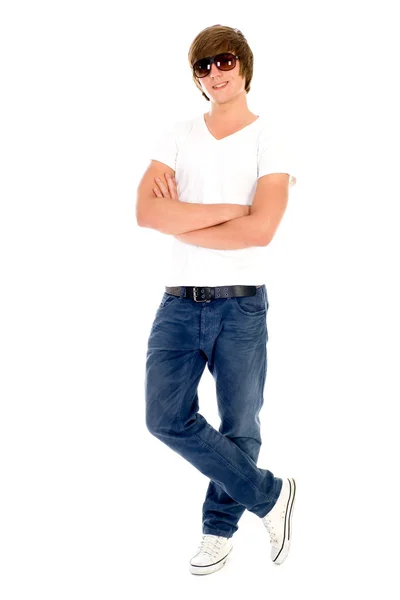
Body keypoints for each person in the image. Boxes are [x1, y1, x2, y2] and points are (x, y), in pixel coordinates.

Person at [136, 24, 297, 576]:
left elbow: (262, 230)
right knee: (164, 418)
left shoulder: (271, 136)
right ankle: (270, 494)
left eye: (223, 61)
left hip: (241, 305)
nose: (215, 73)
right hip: (178, 303)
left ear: (244, 66)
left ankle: (218, 529)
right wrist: (229, 211)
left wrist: (184, 221)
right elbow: (148, 213)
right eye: (203, 67)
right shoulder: (177, 133)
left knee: (240, 425)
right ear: (196, 79)